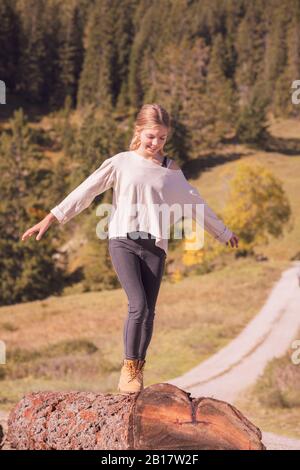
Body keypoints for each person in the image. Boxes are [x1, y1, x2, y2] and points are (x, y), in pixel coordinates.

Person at [21, 103, 239, 394]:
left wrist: (223, 233)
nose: (156, 143)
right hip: (123, 240)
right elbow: (87, 190)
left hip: (155, 246)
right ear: (139, 131)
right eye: (151, 136)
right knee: (137, 305)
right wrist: (53, 216)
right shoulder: (121, 162)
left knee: (150, 311)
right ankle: (128, 367)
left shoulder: (170, 170)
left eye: (162, 138)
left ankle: (138, 368)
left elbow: (195, 203)